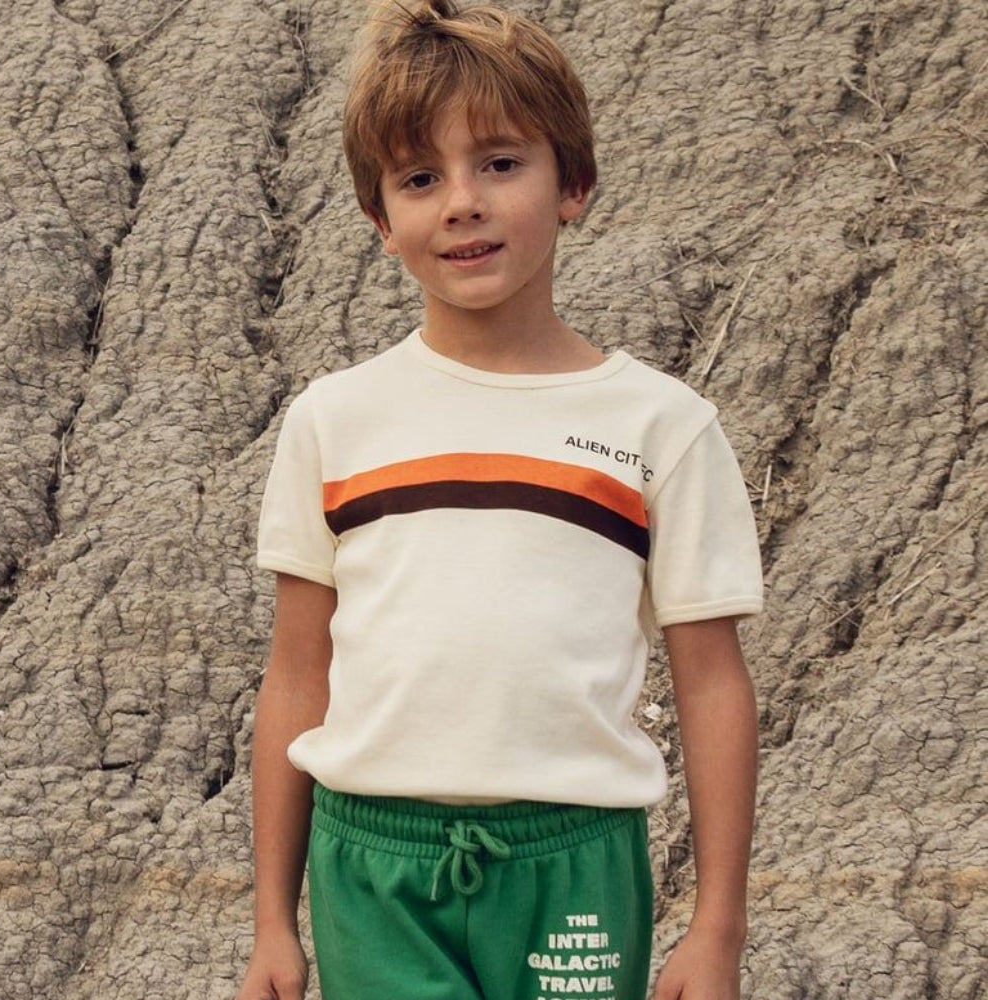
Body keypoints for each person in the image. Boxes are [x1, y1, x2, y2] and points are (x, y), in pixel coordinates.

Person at [237, 2, 763, 999]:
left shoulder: (663, 426)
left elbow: (711, 684)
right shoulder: (334, 421)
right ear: (379, 221)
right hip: (373, 871)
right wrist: (271, 918)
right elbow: (299, 675)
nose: (462, 203)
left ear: (574, 184)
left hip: (575, 860)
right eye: (419, 178)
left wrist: (717, 929)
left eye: (500, 162)